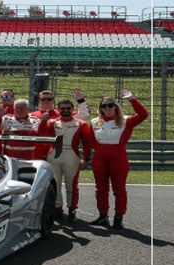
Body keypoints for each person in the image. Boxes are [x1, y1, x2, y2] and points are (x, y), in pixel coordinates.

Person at [88, 90, 148, 229]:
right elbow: (92, 141)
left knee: (119, 189)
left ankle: (119, 217)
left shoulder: (126, 120)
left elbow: (144, 115)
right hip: (100, 157)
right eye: (104, 106)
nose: (107, 108)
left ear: (116, 106)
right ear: (100, 108)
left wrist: (132, 99)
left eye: (110, 105)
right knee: (100, 189)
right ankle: (103, 216)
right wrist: (100, 151)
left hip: (118, 157)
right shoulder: (95, 122)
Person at [39, 99, 93, 222]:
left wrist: (86, 159)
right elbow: (42, 134)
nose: (65, 111)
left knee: (72, 184)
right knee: (55, 183)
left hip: (72, 155)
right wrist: (43, 121)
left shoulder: (81, 123)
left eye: (68, 108)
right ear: (58, 110)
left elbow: (87, 143)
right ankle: (57, 207)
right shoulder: (52, 122)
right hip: (54, 155)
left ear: (72, 109)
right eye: (62, 108)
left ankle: (72, 209)